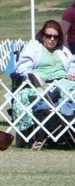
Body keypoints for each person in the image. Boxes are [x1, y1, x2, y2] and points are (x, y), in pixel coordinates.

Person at [14, 19, 75, 150]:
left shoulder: (63, 50)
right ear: (42, 35)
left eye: (55, 36)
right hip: (42, 84)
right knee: (59, 94)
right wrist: (34, 77)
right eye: (48, 36)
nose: (52, 39)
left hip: (65, 82)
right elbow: (23, 68)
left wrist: (71, 74)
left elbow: (72, 65)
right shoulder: (34, 47)